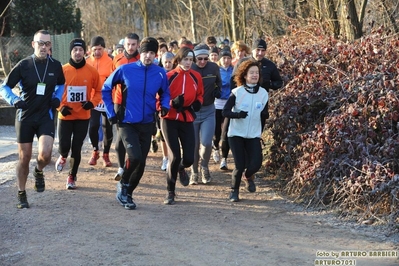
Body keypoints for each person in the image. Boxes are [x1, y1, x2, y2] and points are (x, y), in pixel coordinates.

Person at [102, 37, 170, 210]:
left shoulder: (160, 73)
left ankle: (128, 192)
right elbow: (106, 88)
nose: (148, 56)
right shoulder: (125, 69)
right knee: (135, 157)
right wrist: (111, 112)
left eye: (152, 53)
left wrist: (165, 106)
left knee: (141, 164)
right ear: (140, 51)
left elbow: (165, 93)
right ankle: (123, 184)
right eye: (146, 52)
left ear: (156, 55)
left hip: (147, 122)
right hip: (126, 121)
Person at [0, 29, 65, 208]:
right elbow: (4, 87)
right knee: (25, 157)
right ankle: (21, 193)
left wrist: (58, 97)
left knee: (45, 155)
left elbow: (61, 84)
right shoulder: (24, 65)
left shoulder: (56, 66)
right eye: (40, 43)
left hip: (45, 115)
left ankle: (39, 171)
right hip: (25, 116)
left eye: (47, 43)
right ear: (33, 44)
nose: (43, 47)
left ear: (50, 45)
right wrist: (15, 100)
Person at [55, 38, 102, 189]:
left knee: (77, 147)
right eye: (75, 50)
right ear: (71, 52)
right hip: (65, 116)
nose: (78, 52)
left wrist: (92, 103)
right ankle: (62, 156)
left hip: (83, 116)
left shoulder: (92, 72)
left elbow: (99, 91)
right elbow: (53, 91)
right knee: (64, 145)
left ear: (85, 52)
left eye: (80, 50)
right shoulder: (62, 70)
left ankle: (71, 177)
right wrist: (60, 107)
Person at [161, 47, 204, 204]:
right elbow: (159, 97)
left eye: (190, 60)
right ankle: (170, 192)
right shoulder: (168, 76)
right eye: (185, 59)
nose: (188, 63)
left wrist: (198, 103)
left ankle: (181, 168)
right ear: (178, 60)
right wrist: (171, 103)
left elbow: (199, 94)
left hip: (186, 117)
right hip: (169, 118)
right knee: (174, 155)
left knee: (188, 158)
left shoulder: (196, 76)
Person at [222, 60, 269, 202]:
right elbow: (225, 112)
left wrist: (264, 118)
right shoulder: (237, 92)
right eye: (251, 73)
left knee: (256, 164)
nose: (254, 75)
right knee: (240, 164)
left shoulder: (263, 93)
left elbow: (264, 114)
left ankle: (248, 176)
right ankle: (234, 191)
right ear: (245, 75)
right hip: (236, 133)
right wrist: (237, 115)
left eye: (257, 73)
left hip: (253, 134)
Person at [232, 38, 283, 129]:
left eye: (263, 50)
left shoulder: (269, 65)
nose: (260, 53)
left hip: (260, 103)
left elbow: (279, 82)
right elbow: (232, 81)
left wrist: (269, 85)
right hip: (243, 101)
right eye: (258, 50)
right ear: (252, 50)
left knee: (258, 130)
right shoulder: (242, 63)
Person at [190, 43, 222, 185]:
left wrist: (218, 90)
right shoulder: (189, 68)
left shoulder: (213, 67)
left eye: (205, 58)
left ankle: (204, 166)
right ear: (194, 58)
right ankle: (194, 171)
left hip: (209, 110)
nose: (202, 62)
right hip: (192, 112)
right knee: (194, 145)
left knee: (207, 143)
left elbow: (219, 82)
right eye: (199, 59)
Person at [112, 33, 140, 180]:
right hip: (119, 101)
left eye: (133, 44)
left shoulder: (142, 60)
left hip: (136, 103)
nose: (130, 47)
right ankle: (121, 167)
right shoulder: (117, 59)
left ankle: (133, 165)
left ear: (138, 45)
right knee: (121, 136)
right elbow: (111, 81)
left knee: (134, 135)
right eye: (128, 44)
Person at [86, 36, 114, 167]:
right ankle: (95, 150)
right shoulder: (87, 62)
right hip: (93, 100)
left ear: (104, 49)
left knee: (107, 128)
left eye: (100, 49)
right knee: (92, 127)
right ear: (90, 49)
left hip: (107, 100)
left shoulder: (110, 62)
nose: (97, 52)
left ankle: (106, 154)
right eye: (95, 49)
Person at [213, 48, 233, 170]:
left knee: (226, 133)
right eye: (224, 58)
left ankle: (224, 159)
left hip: (229, 104)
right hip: (217, 104)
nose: (226, 60)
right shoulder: (216, 70)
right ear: (220, 59)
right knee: (217, 132)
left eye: (228, 58)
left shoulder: (234, 70)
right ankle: (215, 147)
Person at [158, 51, 175, 171]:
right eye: (166, 62)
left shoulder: (177, 73)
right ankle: (165, 157)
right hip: (161, 108)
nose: (168, 64)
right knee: (163, 135)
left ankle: (173, 157)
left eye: (170, 62)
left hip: (174, 107)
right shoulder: (158, 73)